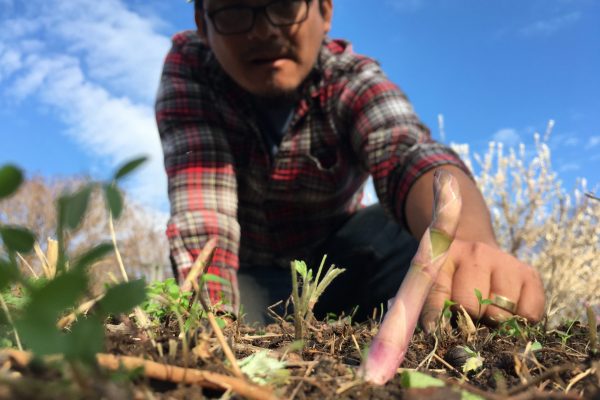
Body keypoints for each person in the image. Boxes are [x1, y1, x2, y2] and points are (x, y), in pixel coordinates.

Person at [155, 0, 546, 327]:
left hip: (340, 265)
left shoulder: (351, 77)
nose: (264, 30)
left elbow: (406, 152)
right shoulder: (192, 71)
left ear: (324, 11)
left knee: (395, 234)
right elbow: (203, 209)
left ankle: (442, 320)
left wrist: (466, 241)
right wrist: (214, 322)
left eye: (286, 4)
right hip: (253, 280)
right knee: (236, 311)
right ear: (203, 25)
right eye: (234, 10)